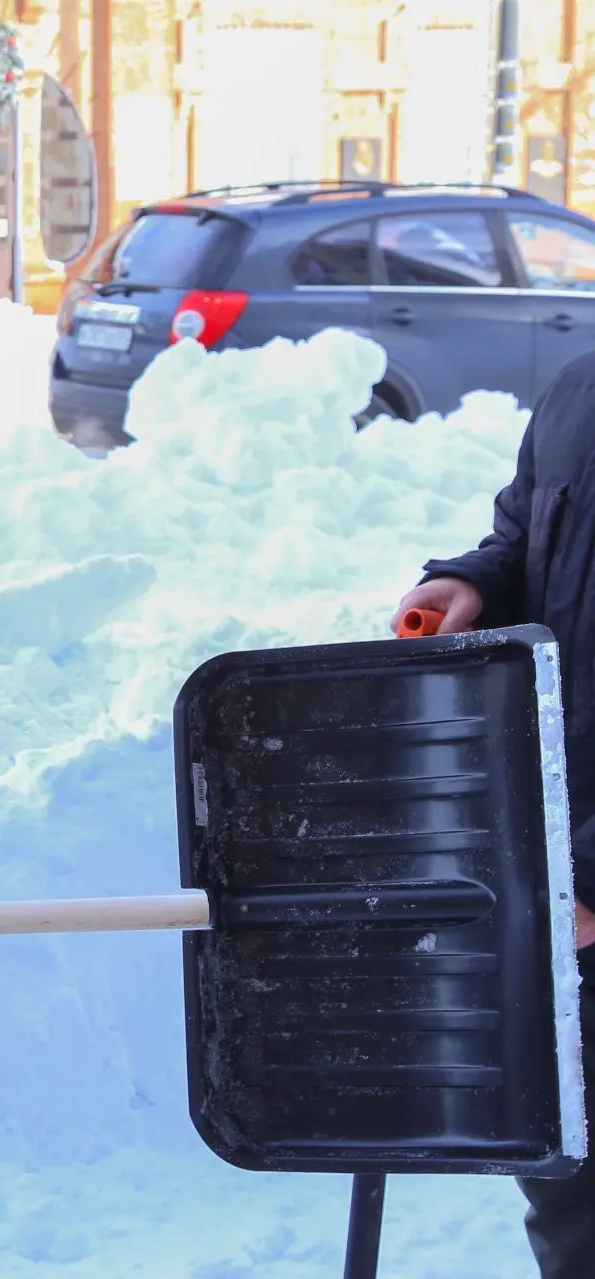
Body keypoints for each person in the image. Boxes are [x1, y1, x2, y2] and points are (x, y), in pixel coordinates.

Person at [392, 352, 595, 1279]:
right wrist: (477, 580)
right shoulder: (579, 386)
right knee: (569, 1181)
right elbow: (528, 529)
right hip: (564, 867)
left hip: (578, 879)